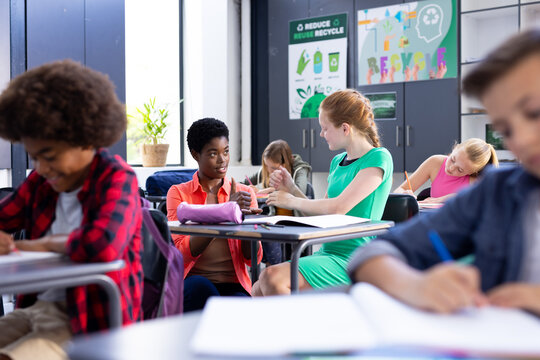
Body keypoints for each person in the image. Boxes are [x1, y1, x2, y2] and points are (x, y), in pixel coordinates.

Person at [348, 29, 540, 316]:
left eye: (534, 112)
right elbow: (370, 255)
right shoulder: (497, 194)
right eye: (506, 130)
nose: (520, 140)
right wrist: (416, 285)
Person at [0, 60, 143, 360]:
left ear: (86, 138)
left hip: (90, 320)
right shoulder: (41, 182)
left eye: (49, 156)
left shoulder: (117, 178)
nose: (41, 168)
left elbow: (102, 245)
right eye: (35, 157)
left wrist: (34, 245)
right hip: (37, 308)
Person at [252, 89, 393, 296]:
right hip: (328, 254)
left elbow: (339, 207)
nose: (321, 134)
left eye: (325, 128)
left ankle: (304, 328)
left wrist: (291, 200)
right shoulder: (337, 162)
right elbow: (323, 214)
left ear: (345, 129)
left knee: (270, 277)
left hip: (356, 258)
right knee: (257, 288)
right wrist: (291, 188)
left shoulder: (379, 158)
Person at [166, 118, 263, 312]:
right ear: (195, 155)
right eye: (213, 154)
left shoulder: (243, 193)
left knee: (239, 307)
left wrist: (245, 221)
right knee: (202, 290)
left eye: (226, 152)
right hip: (193, 281)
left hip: (233, 283)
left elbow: (253, 259)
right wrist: (224, 212)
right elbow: (183, 254)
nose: (222, 160)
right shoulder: (178, 193)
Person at [245, 139, 312, 264]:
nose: (269, 171)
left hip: (295, 223)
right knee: (258, 235)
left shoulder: (300, 170)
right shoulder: (265, 171)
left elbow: (299, 190)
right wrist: (249, 189)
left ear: (285, 164)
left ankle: (275, 268)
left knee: (269, 240)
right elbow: (242, 184)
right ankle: (271, 268)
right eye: (267, 166)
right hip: (275, 222)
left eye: (273, 168)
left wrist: (263, 190)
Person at [393, 138, 498, 203]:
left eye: (460, 170)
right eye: (452, 159)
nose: (451, 168)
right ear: (454, 148)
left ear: (472, 172)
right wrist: (405, 194)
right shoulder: (435, 163)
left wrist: (440, 200)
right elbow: (399, 190)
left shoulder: (477, 181)